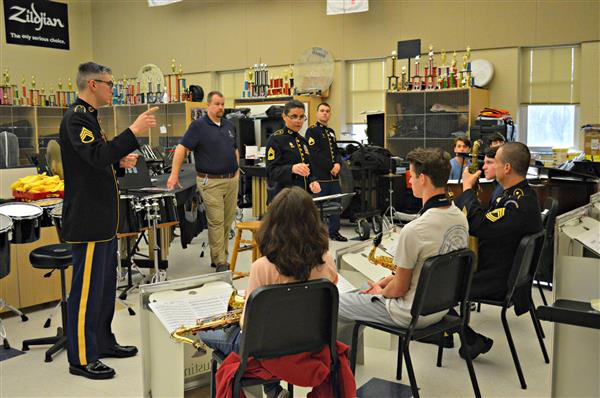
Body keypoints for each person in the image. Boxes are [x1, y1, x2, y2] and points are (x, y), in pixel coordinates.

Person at [61, 62, 157, 379]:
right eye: (109, 83)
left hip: (102, 221)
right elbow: (96, 156)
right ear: (92, 85)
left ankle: (102, 342)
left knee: (104, 290)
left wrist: (119, 161)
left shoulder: (90, 118)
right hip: (88, 222)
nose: (112, 89)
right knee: (85, 293)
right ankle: (82, 358)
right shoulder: (76, 118)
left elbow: (99, 161)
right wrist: (133, 133)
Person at [199, 187, 338, 398]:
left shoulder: (262, 267)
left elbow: (249, 325)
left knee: (203, 330)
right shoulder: (326, 259)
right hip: (311, 343)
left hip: (266, 350)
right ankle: (273, 390)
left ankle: (272, 389)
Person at [336, 148, 469, 346]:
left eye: (412, 175)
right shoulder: (460, 218)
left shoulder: (415, 230)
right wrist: (387, 281)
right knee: (363, 291)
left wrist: (380, 292)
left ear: (423, 179)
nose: (410, 180)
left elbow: (399, 289)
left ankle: (337, 369)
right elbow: (420, 272)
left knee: (336, 304)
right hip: (439, 307)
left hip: (409, 313)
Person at [454, 142, 543, 359]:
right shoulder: (517, 195)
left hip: (498, 279)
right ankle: (458, 334)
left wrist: (467, 190)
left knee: (434, 285)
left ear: (507, 168)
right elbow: (490, 220)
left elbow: (480, 225)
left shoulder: (515, 204)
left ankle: (466, 338)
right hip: (502, 269)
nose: (488, 166)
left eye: (496, 161)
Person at [167, 91, 239, 272]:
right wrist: (174, 174)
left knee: (227, 221)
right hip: (210, 181)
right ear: (208, 105)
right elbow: (181, 149)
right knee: (216, 221)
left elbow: (235, 149)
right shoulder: (198, 126)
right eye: (217, 104)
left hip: (231, 180)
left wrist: (236, 169)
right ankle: (221, 261)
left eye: (223, 104)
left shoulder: (229, 126)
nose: (221, 107)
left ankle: (219, 256)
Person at [304, 103, 347, 242]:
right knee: (318, 208)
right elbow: (314, 154)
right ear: (317, 113)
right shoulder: (312, 131)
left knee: (336, 205)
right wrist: (331, 166)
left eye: (327, 111)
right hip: (321, 176)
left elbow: (336, 151)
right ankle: (315, 235)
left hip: (334, 177)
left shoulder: (331, 132)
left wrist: (338, 164)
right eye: (322, 111)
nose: (325, 113)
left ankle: (334, 232)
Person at [265, 100, 321, 203]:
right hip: (283, 199)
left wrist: (312, 181)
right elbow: (271, 172)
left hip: (303, 197)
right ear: (284, 117)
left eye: (301, 117)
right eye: (294, 116)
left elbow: (309, 168)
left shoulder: (303, 141)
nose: (298, 121)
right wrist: (292, 169)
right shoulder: (276, 139)